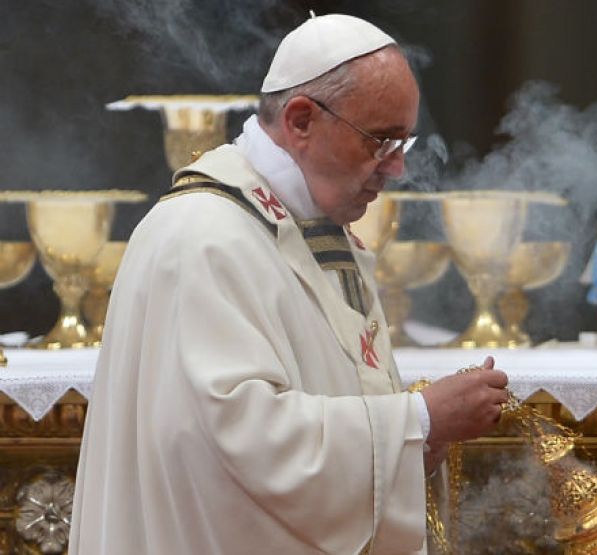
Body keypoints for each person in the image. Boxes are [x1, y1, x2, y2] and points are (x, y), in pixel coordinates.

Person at [70, 13, 509, 555]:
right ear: (301, 120)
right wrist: (418, 419)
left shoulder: (310, 227)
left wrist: (418, 445)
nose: (395, 169)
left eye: (404, 144)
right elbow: (236, 444)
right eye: (381, 141)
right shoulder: (203, 237)